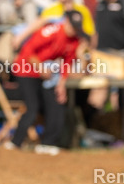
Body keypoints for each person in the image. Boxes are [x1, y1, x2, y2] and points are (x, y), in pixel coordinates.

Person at [6, 10, 88, 154]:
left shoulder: (74, 41)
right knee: (33, 107)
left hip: (47, 75)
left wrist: (61, 85)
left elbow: (66, 64)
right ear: (66, 21)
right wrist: (41, 68)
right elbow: (28, 49)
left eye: (76, 27)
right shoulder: (52, 31)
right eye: (71, 25)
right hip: (26, 70)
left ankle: (48, 143)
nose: (73, 29)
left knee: (57, 104)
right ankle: (15, 142)